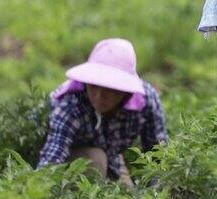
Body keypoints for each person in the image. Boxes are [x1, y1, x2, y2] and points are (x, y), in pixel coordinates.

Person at [37, 38, 168, 187]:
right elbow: (53, 155)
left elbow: (158, 154)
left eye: (109, 90)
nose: (99, 96)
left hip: (113, 159)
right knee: (96, 159)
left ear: (124, 91)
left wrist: (158, 192)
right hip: (73, 157)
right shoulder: (70, 103)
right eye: (94, 86)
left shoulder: (146, 101)